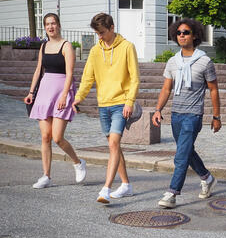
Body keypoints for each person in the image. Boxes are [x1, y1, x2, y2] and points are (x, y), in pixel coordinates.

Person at [152, 18, 221, 208]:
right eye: (179, 33)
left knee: (181, 155)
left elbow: (214, 90)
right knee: (187, 151)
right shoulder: (173, 62)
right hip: (176, 115)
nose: (182, 35)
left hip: (193, 115)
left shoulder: (205, 61)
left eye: (186, 32)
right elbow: (166, 89)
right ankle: (207, 178)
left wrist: (216, 116)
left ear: (195, 35)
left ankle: (172, 193)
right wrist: (158, 110)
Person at [72, 13, 140, 203]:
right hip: (104, 105)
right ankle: (126, 185)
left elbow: (134, 78)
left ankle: (105, 189)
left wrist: (129, 101)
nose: (100, 36)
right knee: (115, 147)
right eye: (97, 33)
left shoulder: (127, 47)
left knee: (113, 145)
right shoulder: (95, 51)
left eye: (102, 32)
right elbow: (87, 78)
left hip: (121, 104)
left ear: (112, 27)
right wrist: (78, 98)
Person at [24, 13, 86, 188]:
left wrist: (64, 95)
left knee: (57, 137)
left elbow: (70, 73)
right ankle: (46, 176)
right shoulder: (43, 46)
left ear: (59, 25)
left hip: (62, 91)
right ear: (44, 27)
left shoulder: (66, 46)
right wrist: (31, 93)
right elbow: (38, 70)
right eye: (47, 24)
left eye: (53, 23)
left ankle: (78, 162)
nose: (50, 27)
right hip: (44, 91)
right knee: (45, 136)